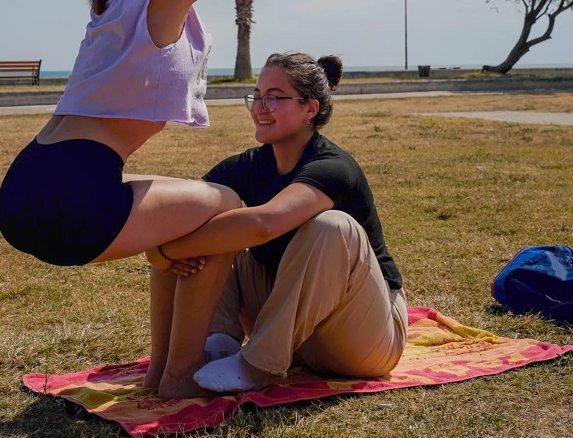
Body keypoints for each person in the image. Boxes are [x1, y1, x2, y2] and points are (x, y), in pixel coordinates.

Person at [0, 0, 333, 399]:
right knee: (227, 205)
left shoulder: (122, 0)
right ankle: (178, 378)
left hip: (26, 186)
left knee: (193, 218)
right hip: (71, 197)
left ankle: (160, 372)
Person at [146, 52, 407, 394]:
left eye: (273, 98)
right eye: (256, 96)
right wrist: (160, 245)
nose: (258, 107)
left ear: (309, 109)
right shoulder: (249, 165)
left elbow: (265, 224)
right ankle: (216, 345)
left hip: (362, 338)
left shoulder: (333, 166)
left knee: (333, 228)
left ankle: (255, 366)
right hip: (294, 338)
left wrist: (165, 249)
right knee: (213, 218)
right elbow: (187, 212)